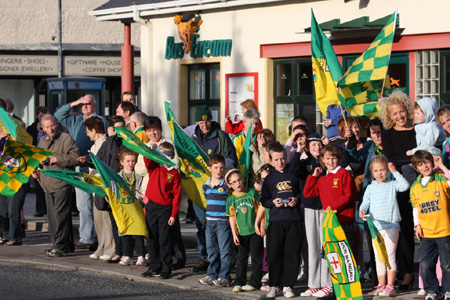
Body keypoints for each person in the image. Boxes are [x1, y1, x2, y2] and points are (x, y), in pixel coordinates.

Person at [55, 94, 109, 248]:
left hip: (94, 166)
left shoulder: (100, 121)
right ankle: (87, 237)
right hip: (78, 165)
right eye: (83, 104)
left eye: (88, 104)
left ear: (95, 106)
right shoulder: (76, 120)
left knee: (98, 203)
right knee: (83, 204)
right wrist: (75, 102)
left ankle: (100, 236)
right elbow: (58, 115)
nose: (85, 106)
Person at [191, 105, 237, 273]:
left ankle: (225, 262)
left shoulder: (221, 137)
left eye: (207, 121)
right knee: (202, 225)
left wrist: (221, 176)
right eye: (201, 122)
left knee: (221, 228)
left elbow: (231, 159)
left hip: (218, 190)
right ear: (197, 121)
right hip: (200, 188)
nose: (205, 125)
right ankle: (205, 257)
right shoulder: (193, 138)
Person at [380, 90, 416, 289]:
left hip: (422, 186)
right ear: (389, 116)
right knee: (405, 232)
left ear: (407, 110)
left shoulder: (419, 129)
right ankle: (409, 273)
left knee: (429, 230)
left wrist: (408, 159)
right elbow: (390, 159)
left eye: (401, 112)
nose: (399, 116)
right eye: (394, 114)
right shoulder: (388, 134)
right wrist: (413, 157)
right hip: (400, 189)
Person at [359, 156, 410, 297]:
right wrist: (362, 210)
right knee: (379, 257)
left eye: (382, 170)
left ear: (387, 170)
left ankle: (390, 285)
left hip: (391, 226)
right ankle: (381, 284)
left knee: (390, 256)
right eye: (376, 170)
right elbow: (365, 203)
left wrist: (395, 171)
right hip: (375, 227)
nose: (379, 173)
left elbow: (405, 186)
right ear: (372, 172)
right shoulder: (370, 187)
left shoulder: (393, 184)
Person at [289, 133, 332, 297]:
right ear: (307, 147)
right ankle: (313, 283)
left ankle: (327, 283)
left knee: (324, 246)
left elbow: (341, 163)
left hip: (325, 208)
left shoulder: (327, 160)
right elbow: (294, 170)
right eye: (313, 145)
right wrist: (299, 151)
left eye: (319, 144)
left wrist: (328, 148)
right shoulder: (304, 161)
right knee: (312, 247)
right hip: (309, 207)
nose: (317, 147)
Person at [32, 114, 79, 257]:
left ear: (56, 124)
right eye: (47, 127)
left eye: (52, 125)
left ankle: (58, 247)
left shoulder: (66, 138)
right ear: (43, 128)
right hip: (47, 183)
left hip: (62, 183)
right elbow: (39, 160)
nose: (50, 129)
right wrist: (37, 171)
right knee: (53, 218)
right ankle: (67, 246)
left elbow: (76, 158)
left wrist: (56, 159)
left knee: (60, 216)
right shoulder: (42, 141)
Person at [260, 143, 303, 299]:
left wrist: (297, 200)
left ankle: (288, 286)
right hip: (276, 220)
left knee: (292, 254)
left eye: (283, 159)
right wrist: (273, 202)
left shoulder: (294, 174)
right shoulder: (270, 178)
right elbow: (264, 199)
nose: (280, 162)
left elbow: (302, 193)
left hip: (294, 219)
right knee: (274, 253)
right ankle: (273, 285)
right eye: (277, 159)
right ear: (271, 160)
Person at [410, 151, 450, 300]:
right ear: (416, 168)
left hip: (444, 230)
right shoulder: (415, 187)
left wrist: (442, 166)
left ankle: (447, 290)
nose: (424, 166)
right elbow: (415, 208)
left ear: (432, 162)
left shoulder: (440, 178)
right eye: (420, 164)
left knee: (446, 264)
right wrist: (417, 225)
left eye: (427, 162)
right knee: (426, 264)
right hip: (427, 233)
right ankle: (432, 290)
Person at [303, 144, 356, 254]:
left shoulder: (344, 174)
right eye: (327, 158)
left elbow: (349, 196)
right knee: (333, 256)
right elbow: (308, 193)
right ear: (322, 159)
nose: (330, 162)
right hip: (330, 222)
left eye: (334, 158)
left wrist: (333, 207)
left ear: (339, 159)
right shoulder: (322, 178)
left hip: (344, 219)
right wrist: (313, 176)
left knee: (347, 255)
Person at [141, 142, 181, 280]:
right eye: (161, 154)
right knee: (152, 238)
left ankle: (166, 268)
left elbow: (176, 196)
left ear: (172, 157)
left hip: (165, 210)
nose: (164, 157)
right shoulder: (155, 168)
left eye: (167, 155)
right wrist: (152, 151)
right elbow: (147, 161)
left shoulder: (174, 173)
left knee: (164, 239)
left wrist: (174, 214)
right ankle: (154, 266)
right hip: (151, 207)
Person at [78, 116, 115, 261]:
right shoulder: (94, 146)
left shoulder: (105, 143)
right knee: (98, 220)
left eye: (88, 131)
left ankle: (110, 248)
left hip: (103, 186)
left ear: (94, 130)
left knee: (107, 220)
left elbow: (103, 163)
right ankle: (101, 247)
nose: (87, 134)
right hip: (95, 187)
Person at [226, 169, 263, 293]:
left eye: (239, 179)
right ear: (230, 185)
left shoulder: (252, 193)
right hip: (241, 233)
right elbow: (231, 217)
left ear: (243, 179)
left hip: (255, 231)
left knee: (256, 258)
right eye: (234, 182)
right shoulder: (230, 199)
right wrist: (233, 233)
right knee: (241, 258)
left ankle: (255, 281)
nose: (238, 183)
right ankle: (239, 281)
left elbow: (260, 211)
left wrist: (261, 226)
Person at [198, 154, 233, 287]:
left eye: (221, 168)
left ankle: (224, 276)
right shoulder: (205, 186)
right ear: (209, 168)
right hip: (210, 221)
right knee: (211, 250)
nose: (219, 170)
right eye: (216, 167)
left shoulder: (225, 185)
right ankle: (212, 274)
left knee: (225, 250)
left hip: (223, 221)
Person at [117, 149, 145, 266]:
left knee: (138, 232)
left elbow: (141, 189)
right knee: (125, 232)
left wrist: (139, 197)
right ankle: (127, 255)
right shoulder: (118, 176)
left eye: (133, 161)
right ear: (122, 162)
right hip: (124, 208)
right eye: (127, 161)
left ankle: (141, 255)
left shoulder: (138, 176)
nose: (130, 163)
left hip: (136, 206)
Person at [26, 106, 49, 217]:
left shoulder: (50, 128)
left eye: (44, 116)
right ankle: (40, 209)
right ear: (37, 116)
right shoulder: (31, 129)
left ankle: (48, 207)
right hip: (36, 158)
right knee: (38, 183)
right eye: (40, 116)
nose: (42, 118)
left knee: (48, 183)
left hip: (47, 157)